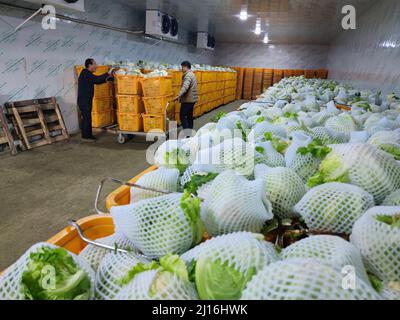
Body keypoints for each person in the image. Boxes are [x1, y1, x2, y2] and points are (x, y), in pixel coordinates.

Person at [77, 58, 115, 142]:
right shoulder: (85, 73)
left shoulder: (87, 74)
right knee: (87, 117)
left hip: (85, 99)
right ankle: (87, 136)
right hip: (84, 100)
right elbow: (96, 79)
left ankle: (86, 135)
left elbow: (97, 81)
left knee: (86, 117)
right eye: (94, 64)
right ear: (89, 65)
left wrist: (107, 78)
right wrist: (107, 73)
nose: (96, 66)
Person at [174, 61, 198, 131]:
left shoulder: (188, 75)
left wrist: (178, 95)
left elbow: (185, 87)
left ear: (185, 67)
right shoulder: (192, 74)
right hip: (192, 99)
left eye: (182, 67)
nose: (181, 69)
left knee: (182, 115)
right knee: (189, 116)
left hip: (188, 99)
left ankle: (186, 132)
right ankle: (190, 131)